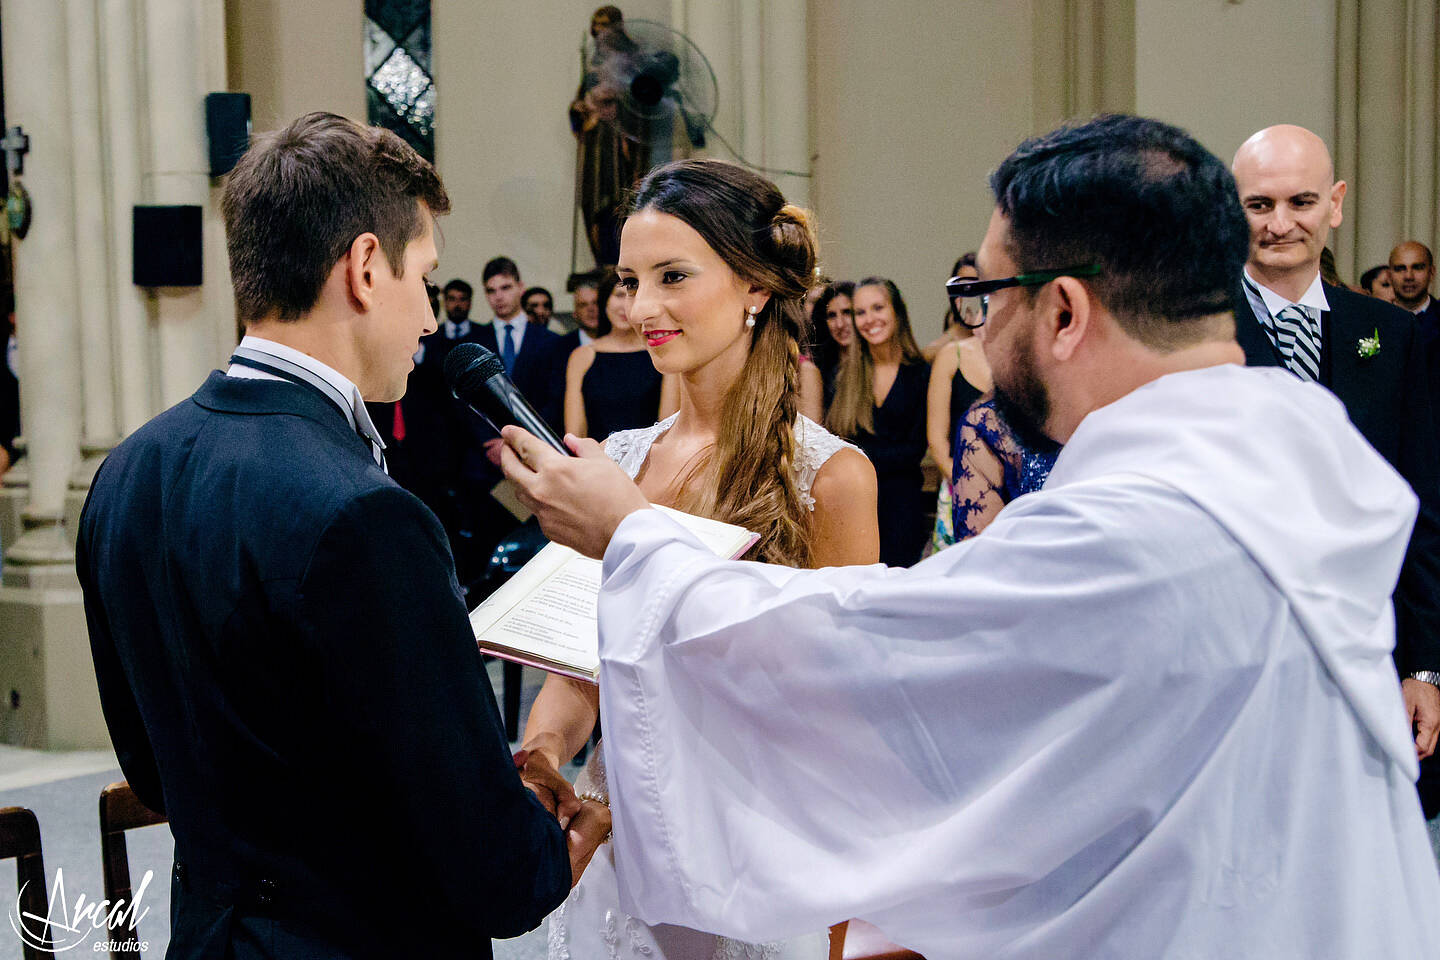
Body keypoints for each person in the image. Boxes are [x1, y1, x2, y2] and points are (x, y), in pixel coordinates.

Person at [499, 113, 1440, 958]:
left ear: (1063, 311)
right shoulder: (1295, 454)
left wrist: (630, 534)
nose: (975, 336)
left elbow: (859, 654)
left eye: (983, 294)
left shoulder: (1148, 526)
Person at [75, 113, 581, 960]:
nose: (429, 318)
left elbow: (156, 769)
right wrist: (552, 844)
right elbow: (490, 867)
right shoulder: (361, 512)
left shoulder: (127, 470)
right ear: (366, 267)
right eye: (424, 276)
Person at [517, 157, 878, 960]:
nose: (642, 307)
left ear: (754, 286)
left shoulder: (833, 478)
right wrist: (542, 754)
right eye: (630, 280)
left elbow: (841, 724)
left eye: (672, 276)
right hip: (622, 847)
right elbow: (581, 667)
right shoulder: (621, 460)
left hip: (758, 852)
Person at [1230, 125, 1440, 845]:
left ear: (1337, 205)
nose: (1280, 223)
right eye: (1259, 204)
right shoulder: (1191, 334)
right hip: (1233, 657)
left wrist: (1425, 665)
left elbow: (1422, 508)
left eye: (1301, 201)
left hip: (1363, 654)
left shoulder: (1390, 334)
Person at [826, 277, 931, 566]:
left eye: (878, 308)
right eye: (860, 312)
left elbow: (914, 450)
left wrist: (861, 457)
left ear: (896, 311)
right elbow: (835, 444)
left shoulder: (921, 373)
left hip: (902, 507)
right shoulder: (843, 376)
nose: (869, 319)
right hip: (853, 506)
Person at [925, 253, 992, 548]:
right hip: (958, 484)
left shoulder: (1018, 357)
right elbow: (936, 438)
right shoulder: (951, 354)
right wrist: (964, 483)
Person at [564, 270, 678, 439]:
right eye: (618, 295)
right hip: (594, 460)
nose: (625, 305)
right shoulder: (582, 356)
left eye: (632, 295)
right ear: (605, 301)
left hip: (650, 460)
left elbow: (667, 428)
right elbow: (575, 434)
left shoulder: (661, 350)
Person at [808, 280, 854, 409]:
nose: (840, 324)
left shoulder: (875, 366)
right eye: (832, 316)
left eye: (847, 312)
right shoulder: (821, 370)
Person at [1389, 240, 1439, 339]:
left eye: (1417, 268)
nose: (1408, 276)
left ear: (1431, 273)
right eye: (1400, 268)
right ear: (1390, 275)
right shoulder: (1375, 320)